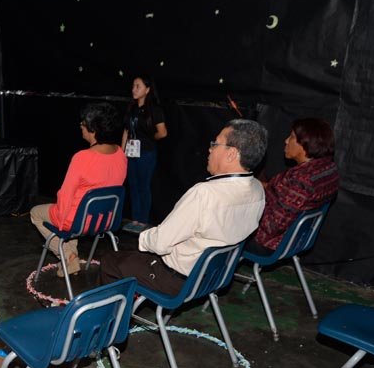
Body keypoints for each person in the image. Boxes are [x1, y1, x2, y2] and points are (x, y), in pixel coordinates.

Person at [101, 119, 267, 296]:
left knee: (111, 261)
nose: (210, 149)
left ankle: (117, 312)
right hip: (216, 276)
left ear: (231, 154)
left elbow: (159, 243)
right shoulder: (258, 190)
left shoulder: (205, 194)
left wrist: (144, 236)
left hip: (179, 280)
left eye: (216, 144)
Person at [30, 102, 127, 277]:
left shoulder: (82, 157)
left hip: (78, 221)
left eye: (83, 123)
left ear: (93, 129)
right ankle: (70, 257)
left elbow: (65, 195)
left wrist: (61, 223)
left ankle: (68, 257)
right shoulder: (121, 154)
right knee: (73, 210)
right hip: (107, 220)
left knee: (36, 213)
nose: (80, 126)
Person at [247, 117, 339, 255]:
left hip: (268, 242)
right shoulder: (327, 169)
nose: (286, 141)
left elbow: (272, 226)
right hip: (297, 239)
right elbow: (282, 193)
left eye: (291, 137)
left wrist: (242, 214)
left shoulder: (301, 181)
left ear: (305, 144)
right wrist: (255, 183)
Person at [121, 75, 167, 233]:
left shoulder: (154, 109)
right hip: (131, 153)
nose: (134, 89)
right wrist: (122, 153)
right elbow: (126, 131)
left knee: (143, 186)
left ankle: (142, 221)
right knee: (133, 185)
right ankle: (135, 219)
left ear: (147, 90)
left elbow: (163, 132)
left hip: (146, 153)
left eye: (138, 86)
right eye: (133, 86)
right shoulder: (131, 108)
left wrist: (150, 138)